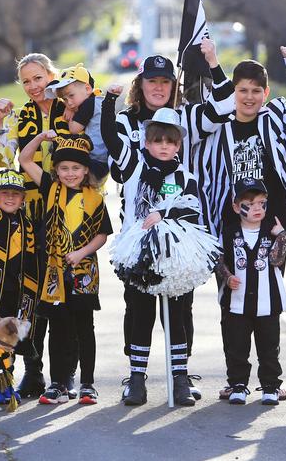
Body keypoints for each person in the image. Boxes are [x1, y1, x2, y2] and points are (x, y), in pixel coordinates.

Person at [104, 38, 235, 401]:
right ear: (140, 85)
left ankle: (181, 373)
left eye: (165, 83)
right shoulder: (126, 121)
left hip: (180, 231)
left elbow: (225, 106)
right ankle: (137, 375)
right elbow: (117, 167)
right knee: (138, 304)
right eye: (152, 82)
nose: (159, 88)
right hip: (138, 228)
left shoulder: (186, 116)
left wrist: (212, 60)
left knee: (181, 304)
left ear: (172, 86)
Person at [199, 57, 286, 400]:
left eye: (255, 91)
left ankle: (271, 380)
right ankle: (236, 378)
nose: (248, 97)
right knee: (231, 302)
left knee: (268, 304)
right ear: (232, 93)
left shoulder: (276, 119)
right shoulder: (218, 129)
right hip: (230, 229)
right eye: (242, 91)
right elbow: (206, 177)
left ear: (265, 93)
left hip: (272, 229)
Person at [101, 98, 200, 407]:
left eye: (171, 141)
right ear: (146, 141)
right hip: (139, 254)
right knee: (140, 315)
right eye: (158, 140)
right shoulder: (133, 167)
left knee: (175, 316)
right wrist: (108, 103)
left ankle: (180, 378)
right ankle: (136, 378)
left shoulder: (185, 176)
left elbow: (193, 210)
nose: (164, 147)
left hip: (174, 254)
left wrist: (165, 213)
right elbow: (108, 136)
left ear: (179, 145)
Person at [0, 53, 74, 399]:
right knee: (32, 294)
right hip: (32, 214)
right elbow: (6, 157)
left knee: (66, 296)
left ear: (51, 76)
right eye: (26, 81)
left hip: (67, 211)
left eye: (38, 78)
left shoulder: (68, 107)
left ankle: (66, 374)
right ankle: (33, 370)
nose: (33, 86)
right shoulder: (20, 115)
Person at [19, 132, 112, 405]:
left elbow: (102, 234)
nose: (70, 173)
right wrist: (40, 138)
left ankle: (87, 383)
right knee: (57, 327)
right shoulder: (49, 188)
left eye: (76, 168)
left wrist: (81, 252)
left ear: (85, 171)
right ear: (56, 170)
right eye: (64, 168)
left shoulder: (94, 198)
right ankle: (58, 382)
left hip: (84, 272)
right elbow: (24, 159)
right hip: (54, 272)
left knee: (85, 327)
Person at [0, 140, 39, 403]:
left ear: (23, 198)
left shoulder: (29, 224)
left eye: (15, 193)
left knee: (11, 344)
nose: (10, 197)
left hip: (19, 293)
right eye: (4, 193)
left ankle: (6, 383)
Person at [215, 178, 286, 405]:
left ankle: (270, 386)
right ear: (237, 207)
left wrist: (282, 236)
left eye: (261, 202)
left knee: (269, 346)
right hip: (236, 302)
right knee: (236, 345)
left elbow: (277, 261)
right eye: (250, 203)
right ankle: (238, 384)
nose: (257, 208)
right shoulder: (229, 233)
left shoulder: (271, 232)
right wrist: (227, 277)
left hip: (268, 302)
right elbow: (219, 260)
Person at [44, 63, 109, 182]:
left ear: (87, 89)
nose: (68, 103)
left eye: (71, 95)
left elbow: (74, 129)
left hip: (96, 161)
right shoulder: (99, 101)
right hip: (103, 160)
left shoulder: (89, 104)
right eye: (64, 99)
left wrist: (72, 113)